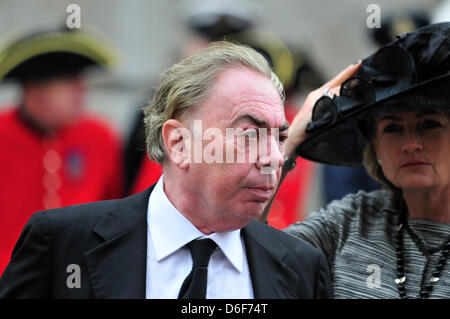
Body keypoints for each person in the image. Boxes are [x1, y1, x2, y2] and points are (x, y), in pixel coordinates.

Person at [0, 41, 333, 299]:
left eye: (280, 137)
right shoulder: (62, 244)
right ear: (179, 144)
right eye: (249, 135)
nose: (275, 158)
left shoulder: (301, 265)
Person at [279, 22, 449, 298]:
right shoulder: (347, 222)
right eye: (392, 128)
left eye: (429, 124)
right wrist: (286, 147)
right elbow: (251, 262)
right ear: (375, 147)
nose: (411, 144)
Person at [0, 27, 124, 276]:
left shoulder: (100, 136)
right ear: (35, 88)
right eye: (70, 82)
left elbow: (117, 212)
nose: (82, 91)